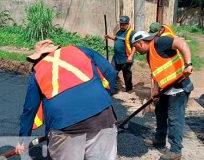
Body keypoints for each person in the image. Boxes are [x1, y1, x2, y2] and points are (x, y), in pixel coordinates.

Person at [17, 39, 118, 160]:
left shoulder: (38, 70)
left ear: (38, 57)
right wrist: (104, 97)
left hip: (65, 125)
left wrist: (23, 140)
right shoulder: (81, 50)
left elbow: (30, 108)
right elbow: (110, 72)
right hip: (103, 116)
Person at [131, 31, 193, 160]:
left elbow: (182, 43)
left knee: (174, 119)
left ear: (140, 42)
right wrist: (155, 91)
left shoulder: (159, 42)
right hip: (165, 89)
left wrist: (188, 64)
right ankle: (160, 139)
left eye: (135, 47)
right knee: (159, 112)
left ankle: (176, 151)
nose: (136, 51)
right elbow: (158, 73)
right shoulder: (150, 54)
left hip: (178, 88)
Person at [105, 16, 136, 92]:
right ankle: (113, 87)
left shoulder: (131, 33)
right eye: (121, 24)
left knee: (126, 74)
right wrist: (109, 37)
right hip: (116, 57)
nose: (122, 26)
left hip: (126, 57)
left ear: (128, 24)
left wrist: (131, 56)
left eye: (123, 25)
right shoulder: (120, 31)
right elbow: (117, 38)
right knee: (112, 71)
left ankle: (129, 89)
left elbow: (135, 45)